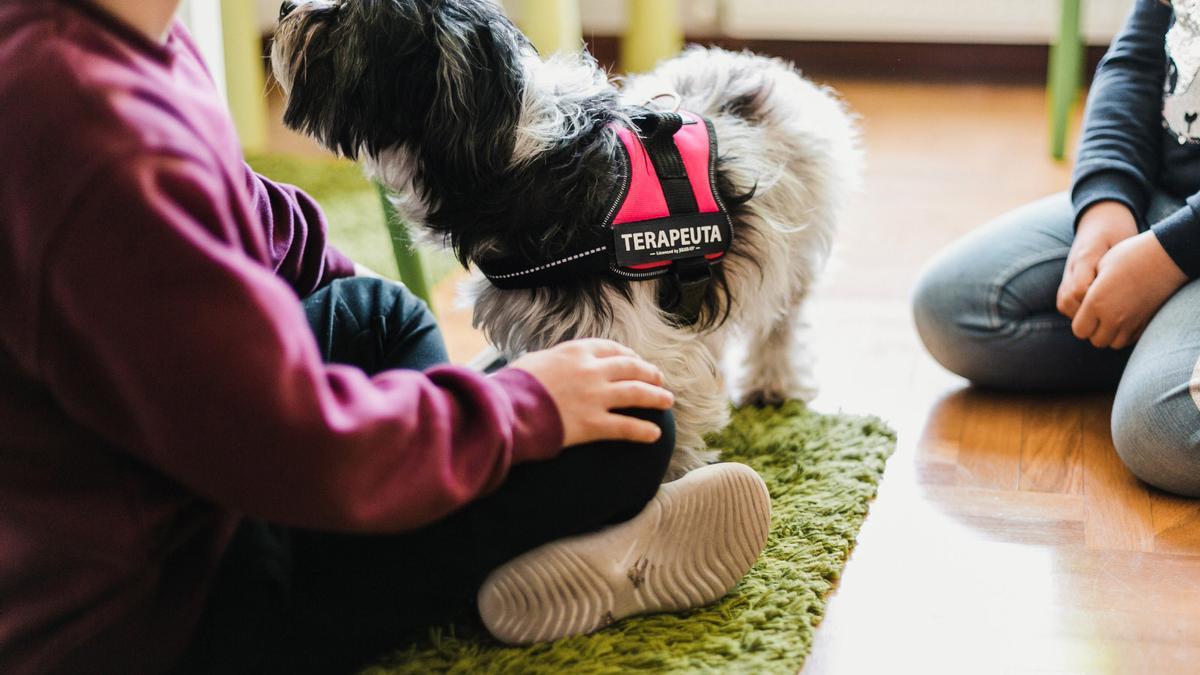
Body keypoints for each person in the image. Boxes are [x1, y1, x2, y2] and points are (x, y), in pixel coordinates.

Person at [0, 1, 770, 673]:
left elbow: (237, 211)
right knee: (632, 421)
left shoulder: (115, 36)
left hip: (169, 485)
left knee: (376, 310)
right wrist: (518, 410)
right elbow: (300, 446)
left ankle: (457, 501)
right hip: (160, 611)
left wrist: (490, 408)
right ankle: (550, 548)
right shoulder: (94, 136)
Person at [914, 0, 1200, 496]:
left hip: (1181, 236)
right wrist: (1105, 201)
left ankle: (1167, 359)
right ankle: (1163, 346)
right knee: (951, 309)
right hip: (1165, 201)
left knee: (1163, 429)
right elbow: (1135, 62)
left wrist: (1172, 254)